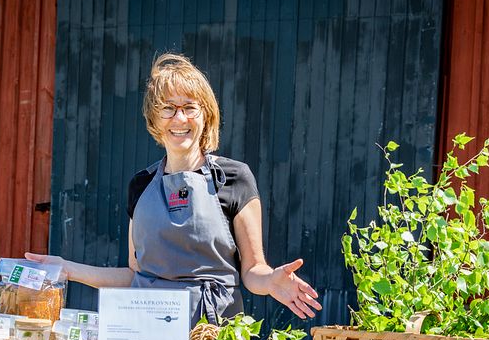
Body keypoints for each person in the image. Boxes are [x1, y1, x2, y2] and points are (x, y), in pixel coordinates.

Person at [26, 53, 321, 325]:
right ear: (155, 118)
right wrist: (67, 269)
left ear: (206, 115)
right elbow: (134, 275)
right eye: (168, 108)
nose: (179, 119)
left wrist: (269, 280)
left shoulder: (234, 178)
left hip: (213, 335)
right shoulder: (141, 185)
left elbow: (253, 270)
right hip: (149, 332)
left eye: (189, 107)